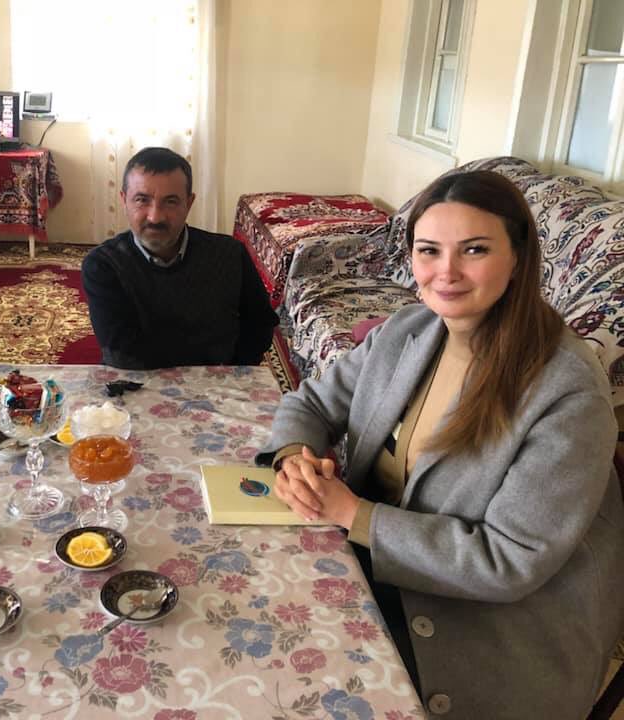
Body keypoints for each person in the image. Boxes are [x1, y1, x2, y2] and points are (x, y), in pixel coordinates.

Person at [260, 170, 624, 720]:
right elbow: (309, 404)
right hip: (373, 567)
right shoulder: (408, 329)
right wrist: (296, 459)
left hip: (484, 631)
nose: (446, 272)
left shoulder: (567, 389)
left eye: (474, 250)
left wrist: (353, 513)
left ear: (518, 258)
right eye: (429, 250)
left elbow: (507, 561)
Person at [81, 147, 278, 369]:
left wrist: (228, 375)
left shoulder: (231, 255)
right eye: (142, 200)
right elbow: (121, 353)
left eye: (171, 201)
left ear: (189, 203)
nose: (155, 217)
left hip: (220, 382)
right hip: (137, 383)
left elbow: (260, 325)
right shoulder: (103, 265)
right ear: (124, 200)